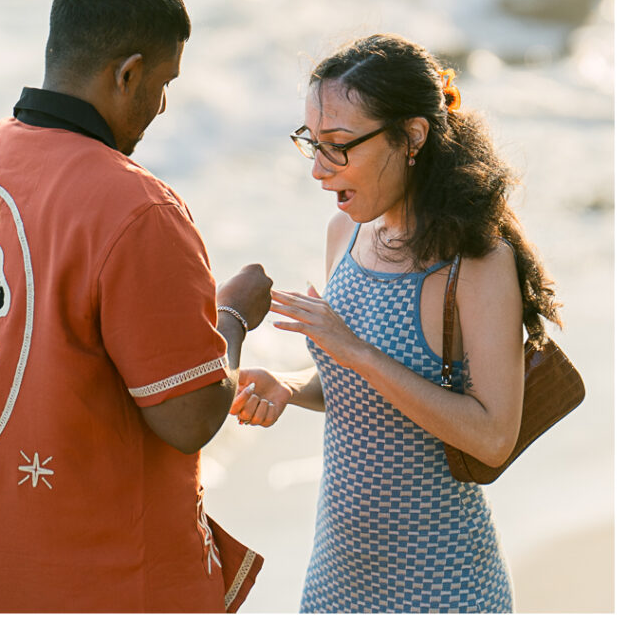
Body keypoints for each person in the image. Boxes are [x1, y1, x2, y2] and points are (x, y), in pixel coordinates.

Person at [0, 0, 273, 613]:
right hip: (99, 575)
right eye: (163, 83)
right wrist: (233, 317)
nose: (161, 105)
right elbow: (188, 418)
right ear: (127, 73)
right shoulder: (136, 208)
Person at [230, 33, 561, 613]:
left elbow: (492, 435)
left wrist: (355, 351)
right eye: (312, 142)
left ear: (412, 136)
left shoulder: (478, 263)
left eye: (339, 146)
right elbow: (368, 390)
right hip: (337, 576)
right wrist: (290, 386)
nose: (318, 170)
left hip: (443, 585)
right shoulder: (347, 234)